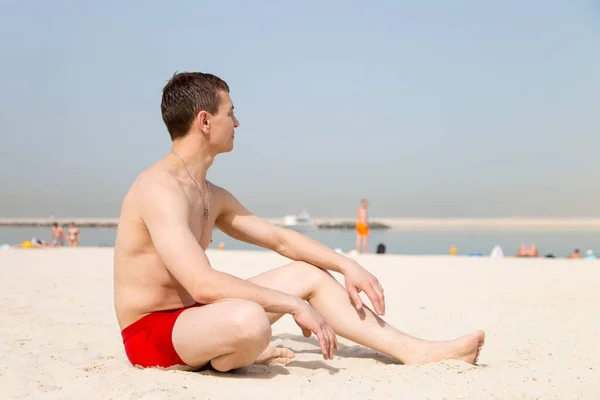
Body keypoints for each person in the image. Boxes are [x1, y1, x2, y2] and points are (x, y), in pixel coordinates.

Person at [113, 72, 484, 373]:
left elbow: (279, 239)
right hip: (151, 332)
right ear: (205, 121)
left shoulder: (210, 192)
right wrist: (292, 305)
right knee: (250, 321)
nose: (237, 122)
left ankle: (413, 350)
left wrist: (345, 263)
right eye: (231, 112)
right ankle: (238, 348)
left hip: (197, 319)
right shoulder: (159, 188)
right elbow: (202, 284)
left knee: (308, 274)